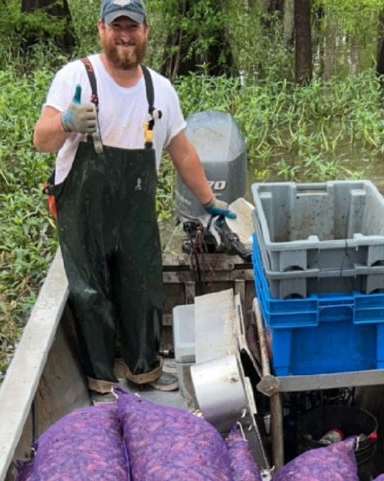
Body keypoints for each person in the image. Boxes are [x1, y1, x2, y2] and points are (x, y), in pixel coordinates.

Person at [33, 0, 235, 396]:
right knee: (90, 293)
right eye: (116, 27)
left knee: (143, 287)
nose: (125, 35)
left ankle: (145, 371)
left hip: (135, 211)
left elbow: (182, 151)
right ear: (101, 30)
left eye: (133, 27)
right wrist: (66, 121)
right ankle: (101, 381)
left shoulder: (159, 89)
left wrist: (210, 200)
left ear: (146, 32)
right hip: (83, 211)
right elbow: (42, 140)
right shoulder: (77, 76)